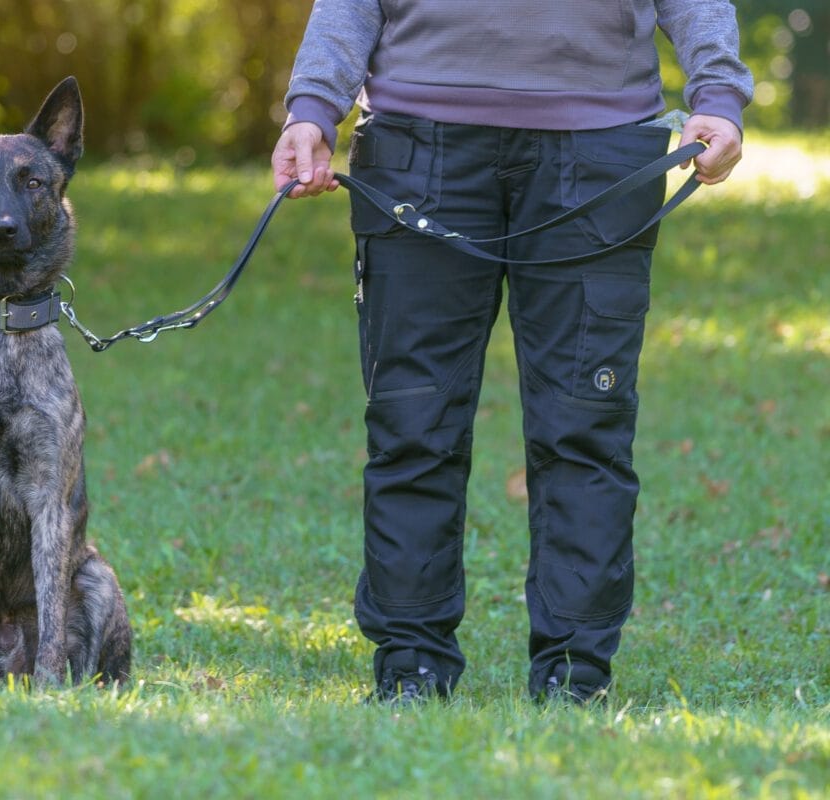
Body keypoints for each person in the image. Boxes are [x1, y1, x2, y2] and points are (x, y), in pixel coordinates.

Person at [271, 1, 753, 704]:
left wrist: (718, 92)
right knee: (413, 425)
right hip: (418, 148)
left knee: (584, 427)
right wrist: (313, 106)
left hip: (600, 150)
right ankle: (411, 666)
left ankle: (574, 674)